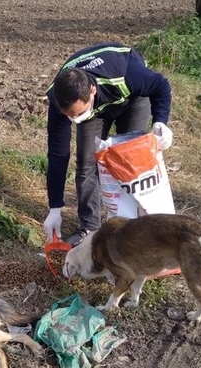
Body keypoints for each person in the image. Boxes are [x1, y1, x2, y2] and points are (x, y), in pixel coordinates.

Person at [43, 42, 173, 246]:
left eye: (78, 113)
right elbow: (58, 156)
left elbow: (161, 85)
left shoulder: (127, 74)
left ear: (92, 91)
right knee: (86, 161)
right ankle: (89, 228)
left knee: (130, 161)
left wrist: (160, 122)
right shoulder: (58, 100)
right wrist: (55, 208)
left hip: (132, 99)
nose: (73, 119)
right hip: (94, 112)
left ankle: (132, 228)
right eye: (68, 115)